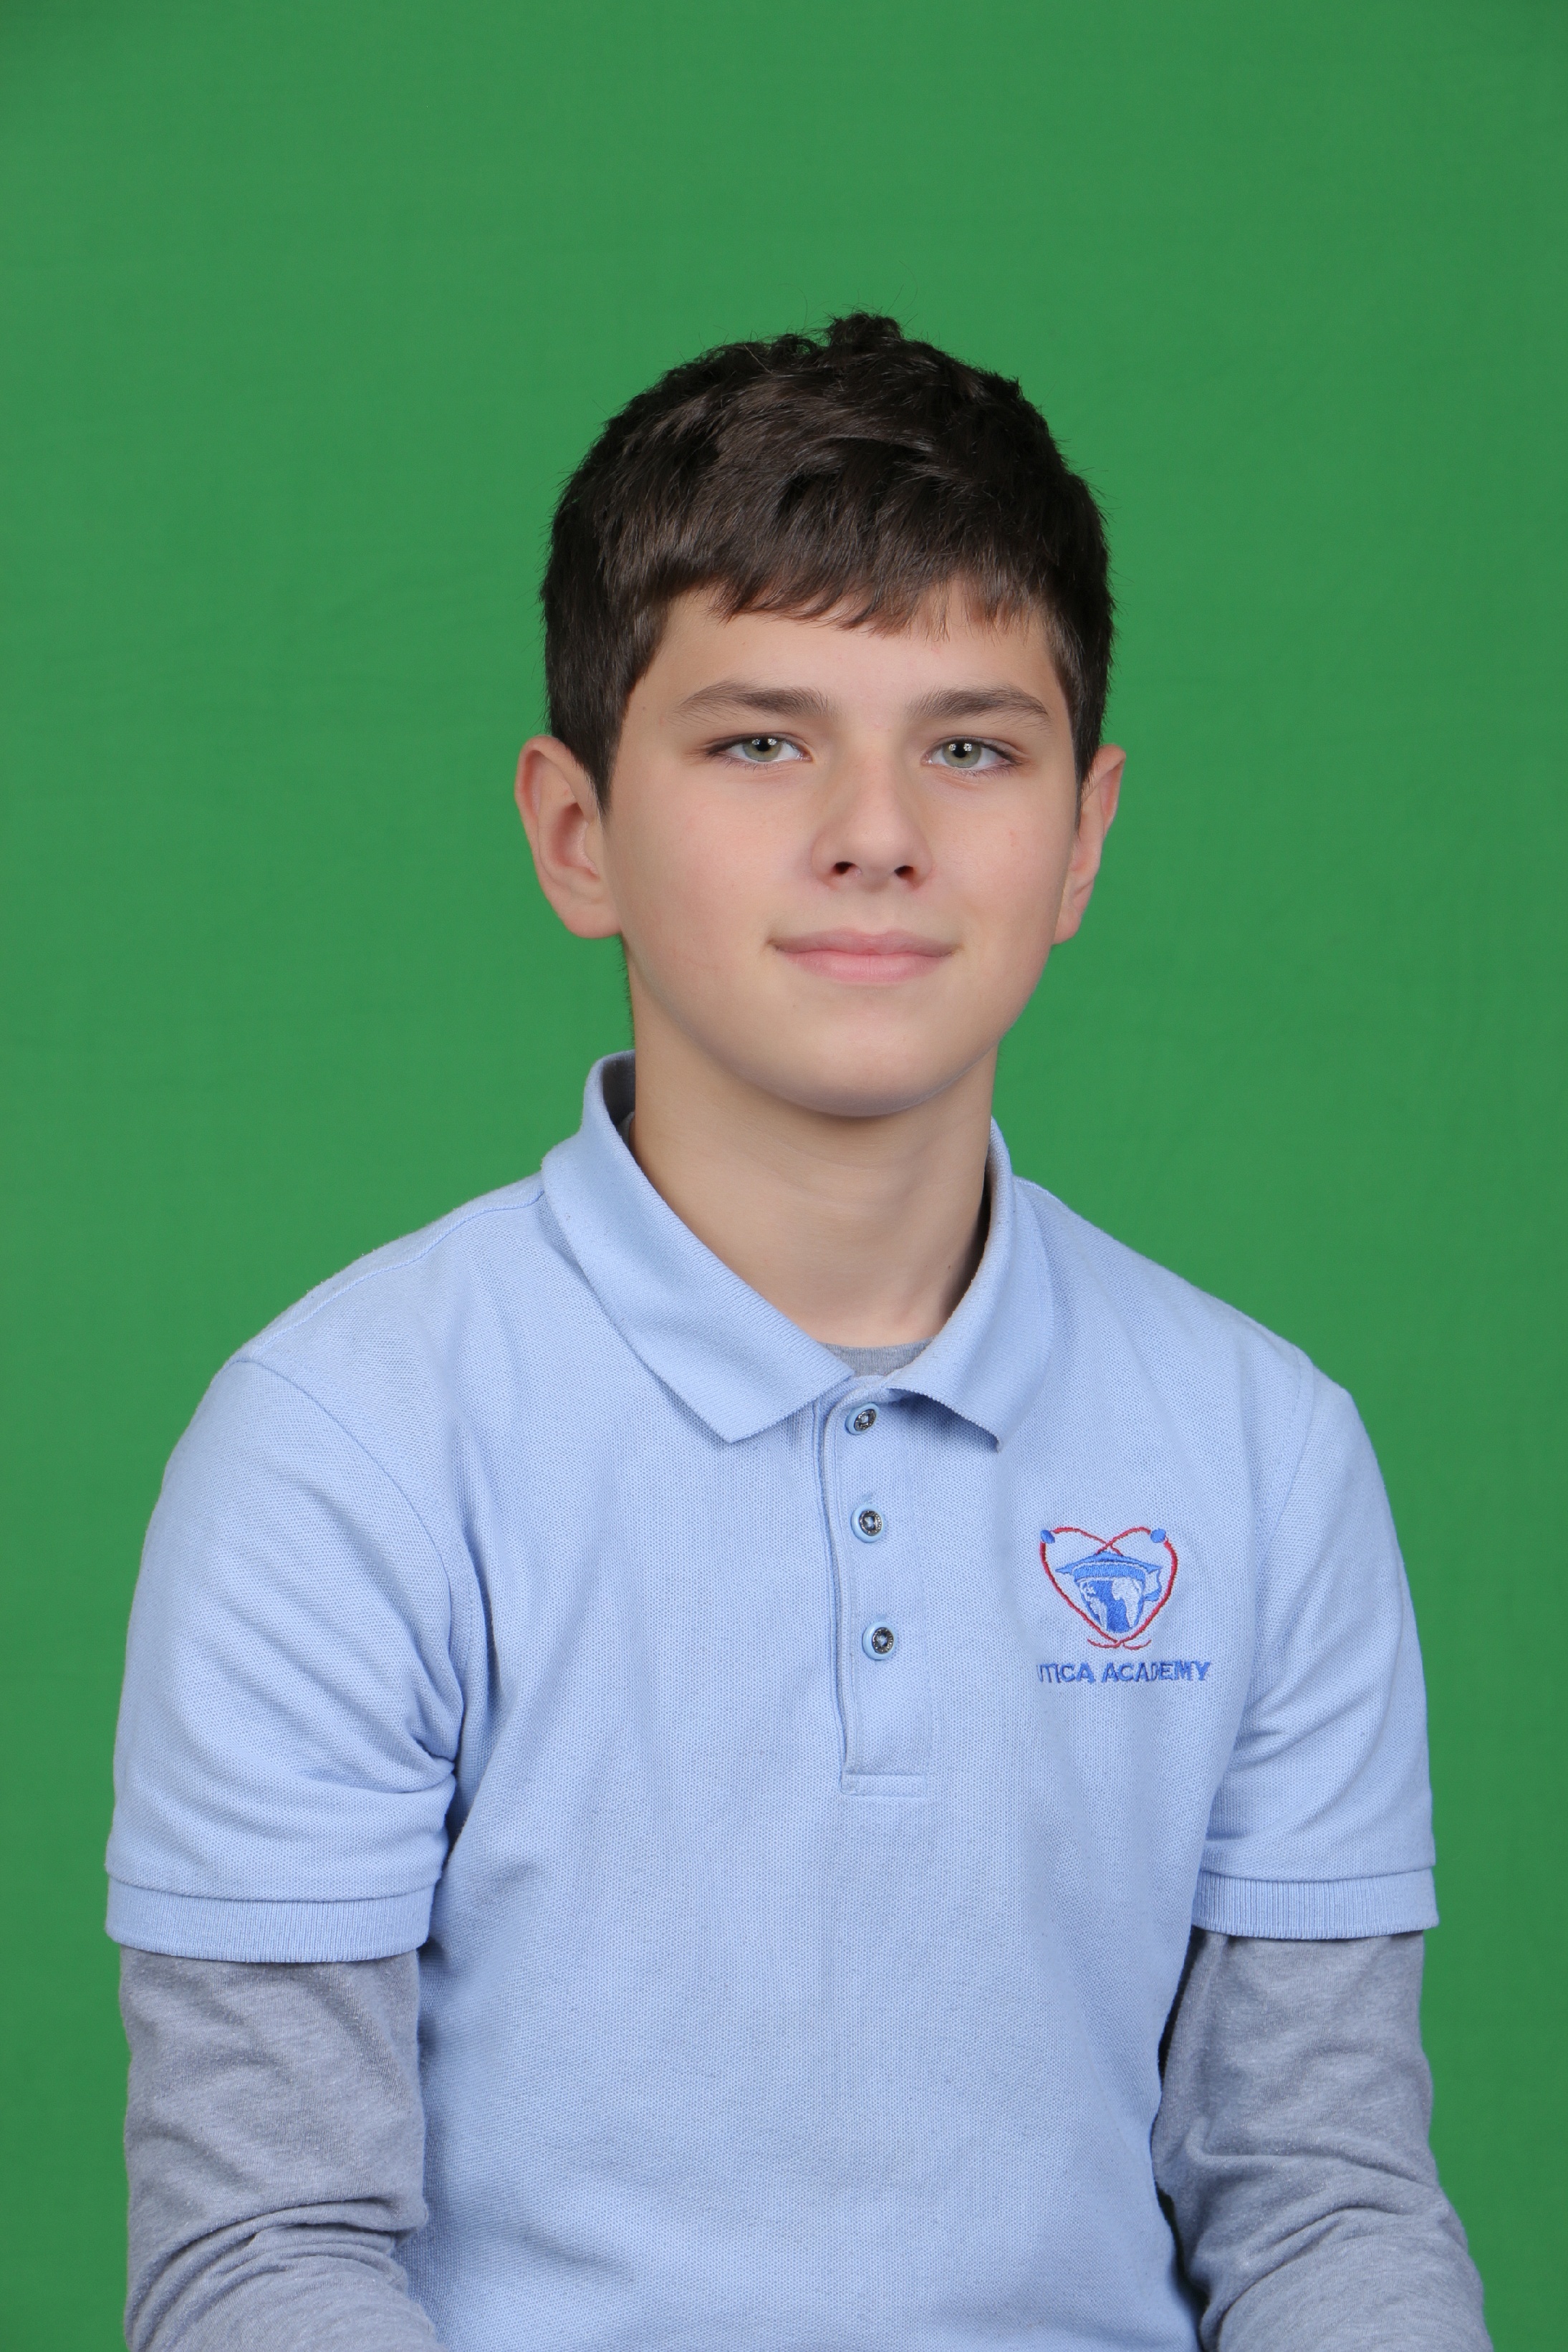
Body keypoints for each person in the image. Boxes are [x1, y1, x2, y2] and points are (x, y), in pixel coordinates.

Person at [107, 314, 1490, 2351]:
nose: (877, 829)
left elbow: (1320, 2206)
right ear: (577, 832)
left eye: (972, 746)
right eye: (761, 740)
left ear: (1085, 835)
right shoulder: (341, 1444)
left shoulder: (1266, 1449)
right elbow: (262, 2253)